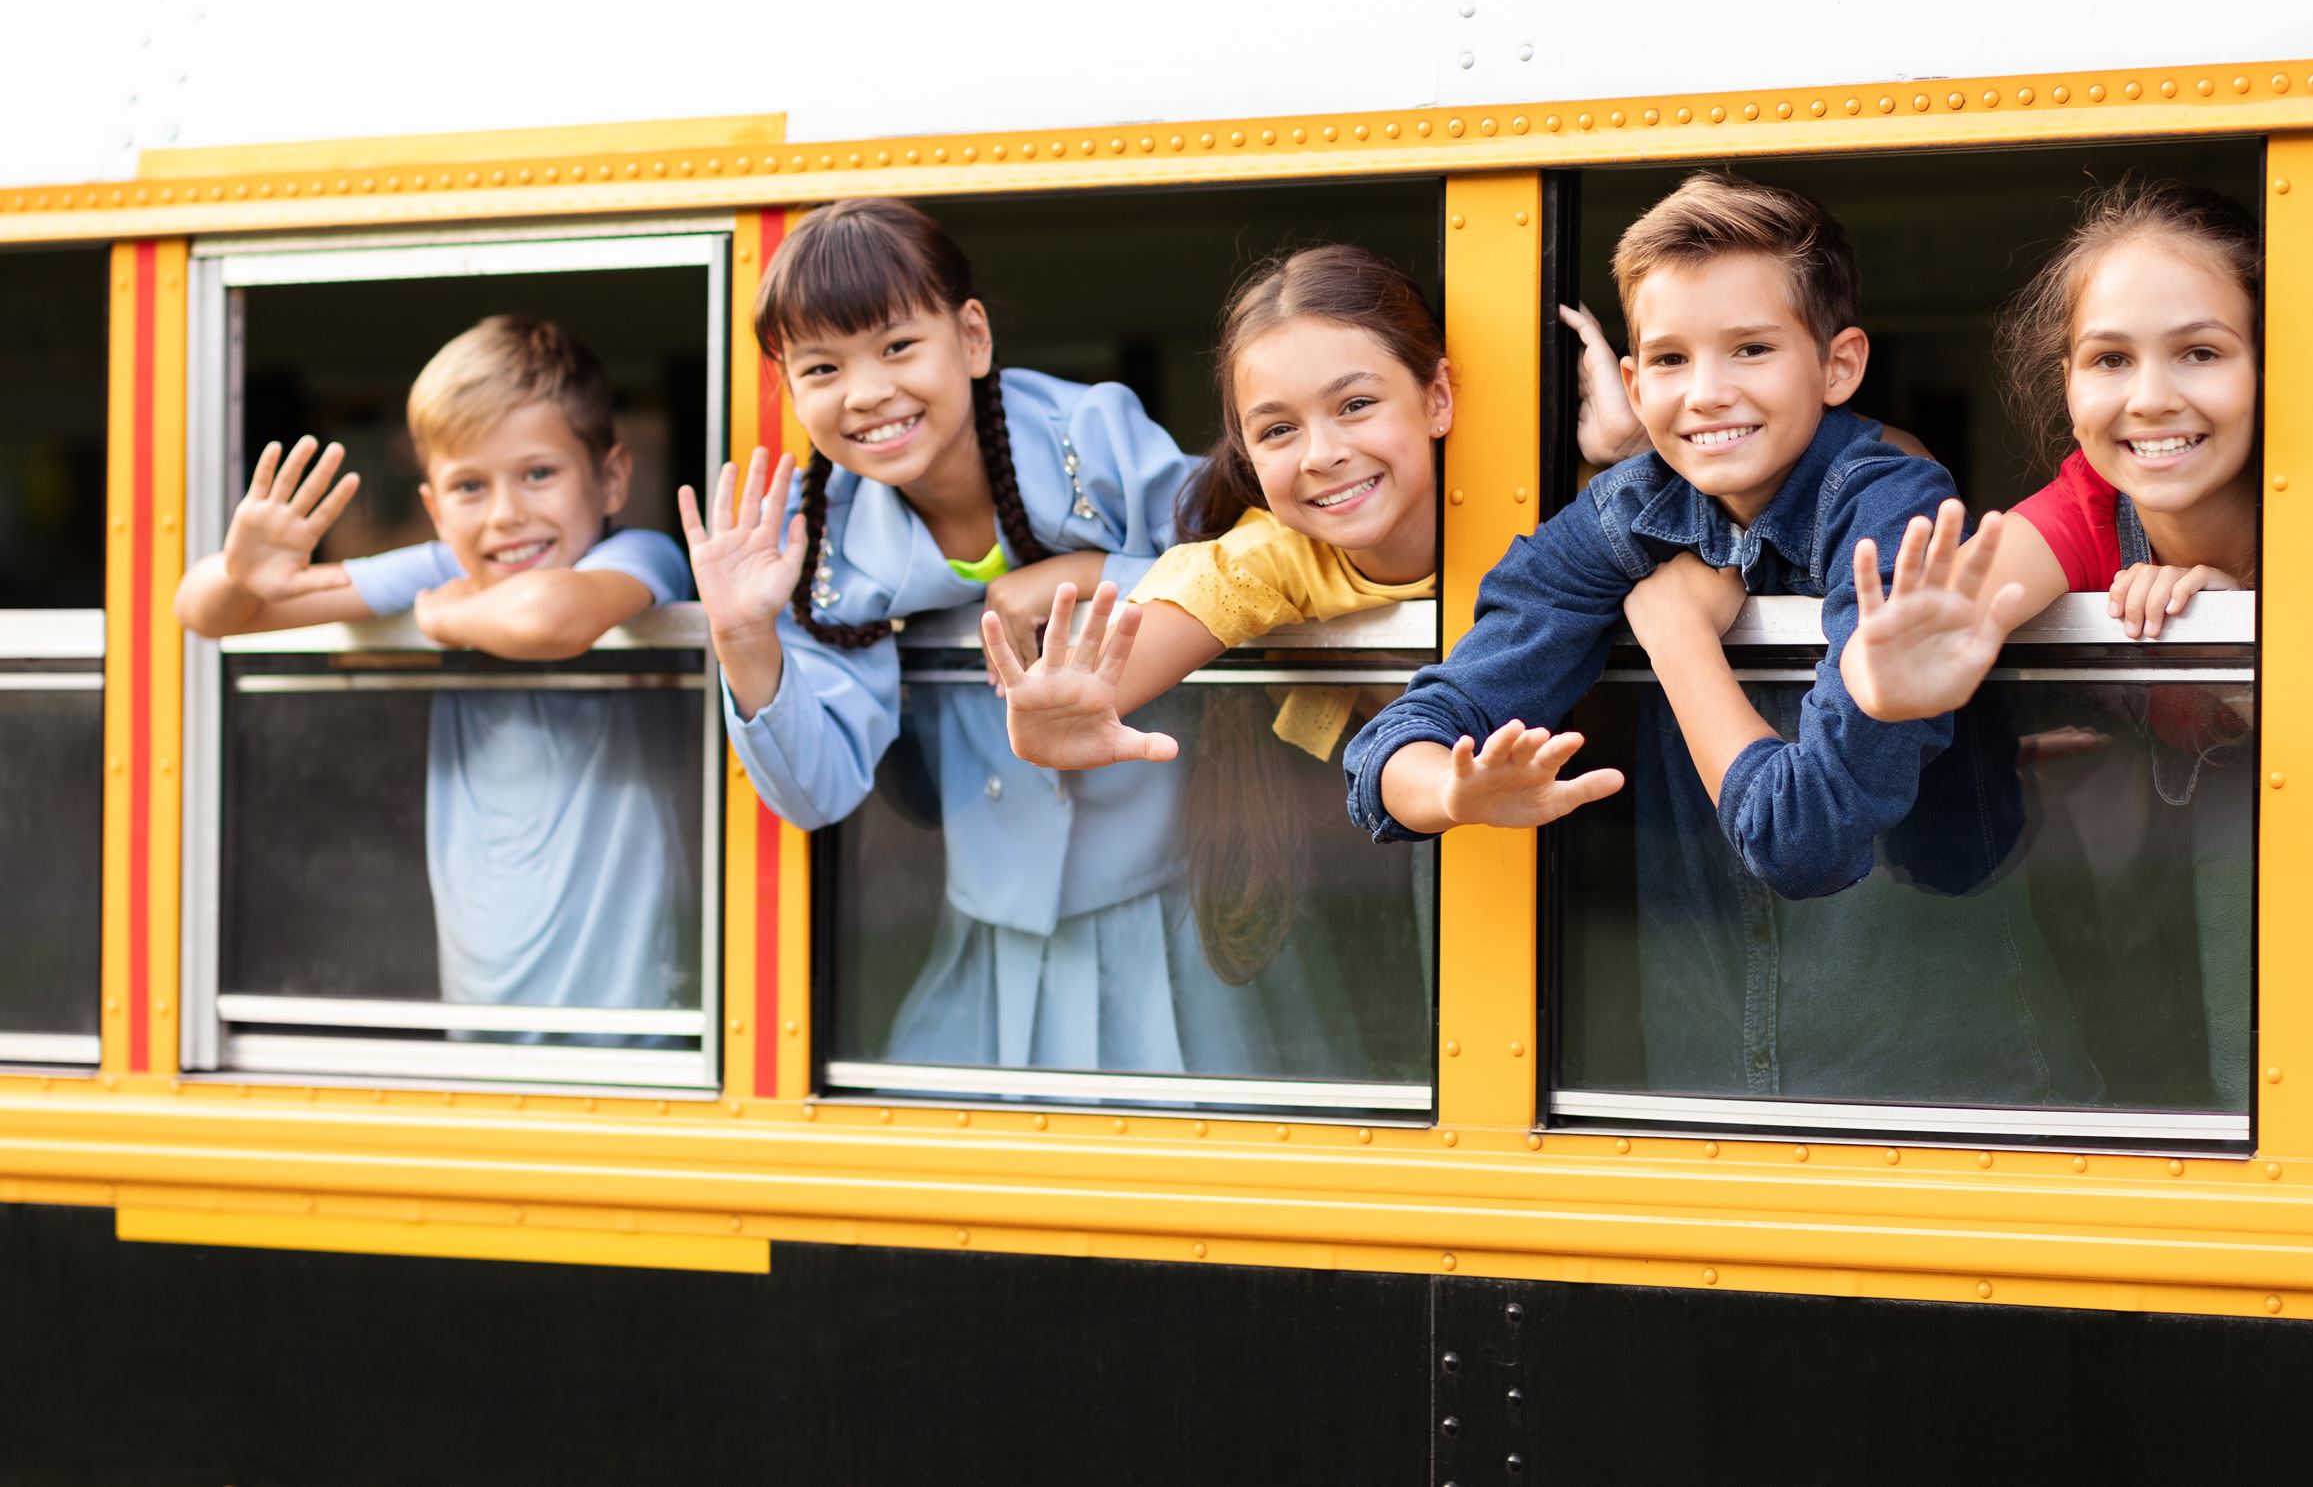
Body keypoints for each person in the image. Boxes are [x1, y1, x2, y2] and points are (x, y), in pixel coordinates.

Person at [1344, 171, 2094, 1105]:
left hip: (1944, 1076)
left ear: (1839, 364)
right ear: (1631, 380)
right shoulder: (1631, 512)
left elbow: (1805, 839)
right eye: (1668, 360)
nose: (1705, 393)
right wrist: (1448, 786)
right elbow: (1406, 734)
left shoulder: (1889, 498)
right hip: (1706, 1082)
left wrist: (1677, 638)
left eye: (1750, 348)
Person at [1836, 179, 2313, 1101]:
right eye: (2110, 359)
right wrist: (1885, 675)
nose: (2151, 399)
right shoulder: (2087, 507)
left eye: (2199, 351)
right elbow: (1966, 601)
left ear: (2276, 369)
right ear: (2069, 383)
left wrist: (2236, 660)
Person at [681, 196, 1333, 1076]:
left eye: (898, 346)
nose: (868, 392)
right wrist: (744, 634)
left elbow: (1251, 558)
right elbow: (816, 790)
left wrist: (1073, 575)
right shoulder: (825, 537)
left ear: (973, 338)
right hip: (995, 925)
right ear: (789, 390)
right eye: (822, 367)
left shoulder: (1088, 436)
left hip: (1170, 899)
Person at [978, 245, 1445, 1053]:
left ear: (1437, 396)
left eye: (1357, 404)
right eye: (1278, 429)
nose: (1321, 452)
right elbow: (1155, 634)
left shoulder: (1549, 494)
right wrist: (1076, 707)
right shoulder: (1273, 552)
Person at [173, 316, 697, 1024]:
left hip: (638, 1006)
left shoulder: (639, 556)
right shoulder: (443, 568)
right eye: (470, 487)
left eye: (538, 474)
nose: (507, 515)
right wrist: (240, 573)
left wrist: (440, 620)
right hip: (481, 990)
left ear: (610, 479)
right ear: (434, 508)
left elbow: (546, 619)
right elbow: (206, 612)